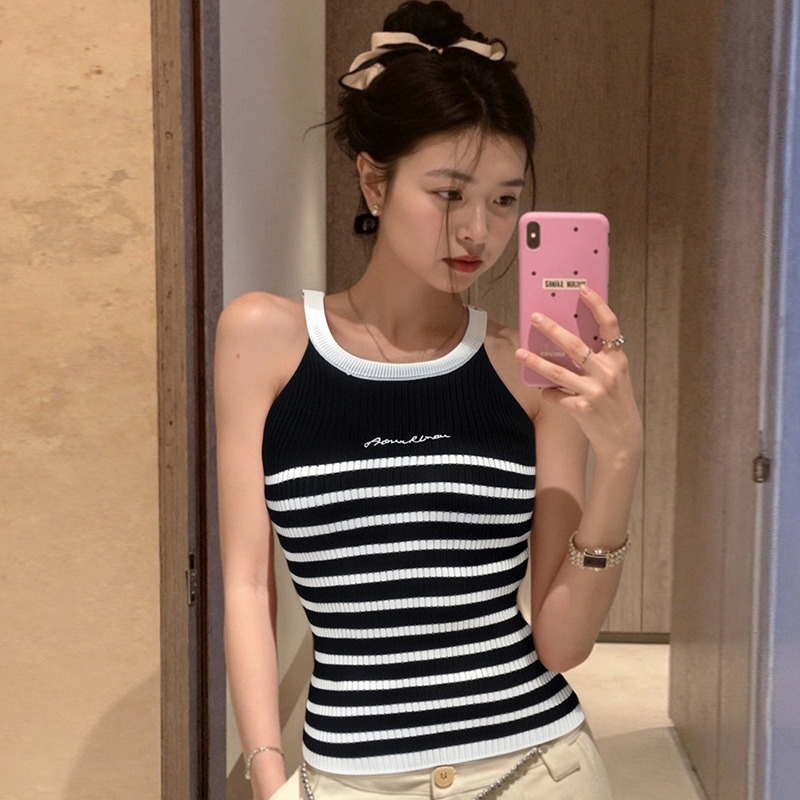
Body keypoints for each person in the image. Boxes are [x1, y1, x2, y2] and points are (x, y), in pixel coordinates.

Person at [214, 2, 644, 798]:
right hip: (351, 778)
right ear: (374, 180)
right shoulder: (264, 338)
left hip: (537, 768)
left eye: (505, 200)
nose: (479, 230)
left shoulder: (527, 370)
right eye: (450, 194)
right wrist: (268, 774)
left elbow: (562, 644)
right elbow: (246, 581)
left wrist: (620, 458)